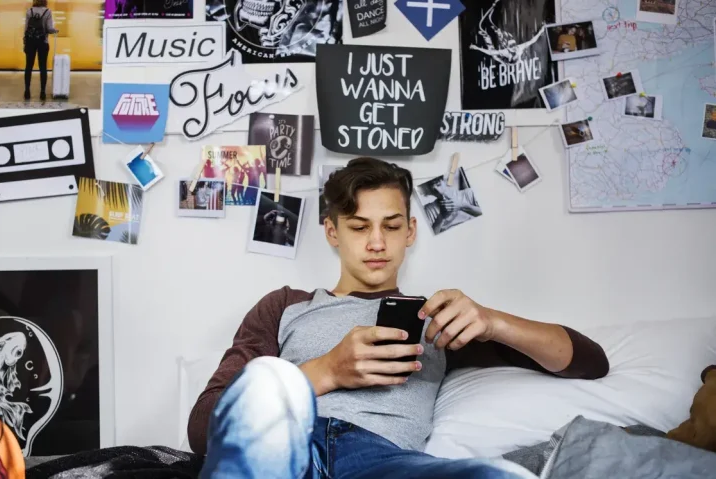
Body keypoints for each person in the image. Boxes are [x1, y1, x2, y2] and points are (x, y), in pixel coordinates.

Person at [189, 157, 609, 478]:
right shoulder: (284, 305)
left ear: (410, 231)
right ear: (332, 232)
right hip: (289, 447)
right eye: (358, 227)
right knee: (266, 378)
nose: (376, 243)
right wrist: (327, 371)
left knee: (501, 475)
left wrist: (492, 320)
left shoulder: (438, 317)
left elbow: (589, 362)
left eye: (390, 227)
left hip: (382, 460)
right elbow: (204, 427)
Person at [23, 0, 58, 101]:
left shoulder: (29, 11)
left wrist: (25, 43)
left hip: (30, 42)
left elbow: (25, 29)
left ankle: (27, 91)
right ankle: (42, 92)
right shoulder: (48, 11)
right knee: (43, 68)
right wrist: (55, 30)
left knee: (28, 67)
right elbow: (49, 28)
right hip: (43, 42)